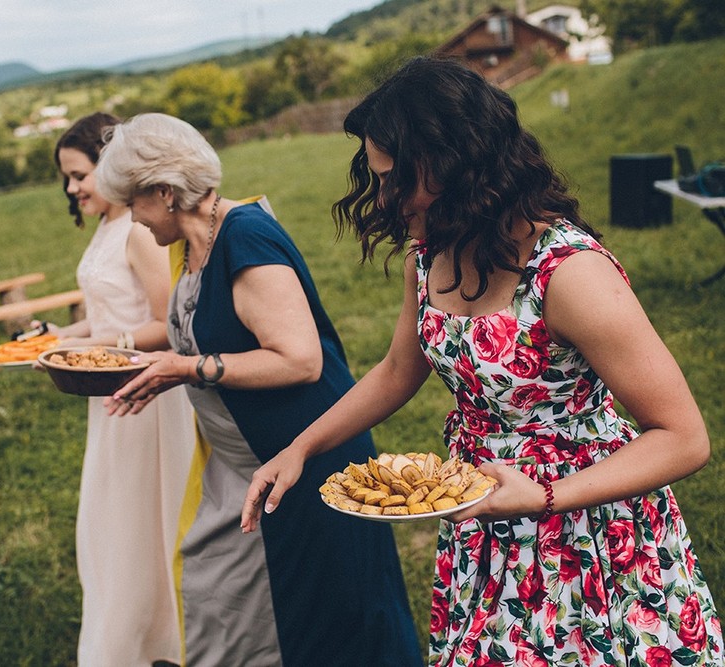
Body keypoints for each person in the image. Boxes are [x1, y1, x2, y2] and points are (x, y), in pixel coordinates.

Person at [240, 56, 723, 666]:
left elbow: (683, 437)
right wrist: (300, 449)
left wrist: (547, 496)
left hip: (585, 525)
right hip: (483, 512)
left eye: (397, 179)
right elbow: (396, 370)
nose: (387, 199)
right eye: (380, 177)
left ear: (458, 164)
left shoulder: (569, 274)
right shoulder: (432, 252)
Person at [92, 112, 423, 667]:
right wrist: (164, 367)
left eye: (134, 202)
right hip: (249, 467)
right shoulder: (194, 244)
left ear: (166, 193)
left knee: (334, 622)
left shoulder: (244, 237)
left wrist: (189, 369)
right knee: (226, 596)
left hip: (310, 460)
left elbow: (300, 360)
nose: (132, 218)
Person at [46, 112, 195, 667]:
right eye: (66, 178)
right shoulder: (111, 227)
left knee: (142, 514)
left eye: (78, 174)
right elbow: (105, 312)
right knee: (113, 516)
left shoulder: (139, 229)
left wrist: (98, 348)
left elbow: (165, 322)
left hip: (144, 394)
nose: (72, 188)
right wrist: (62, 337)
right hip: (106, 392)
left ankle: (157, 637)